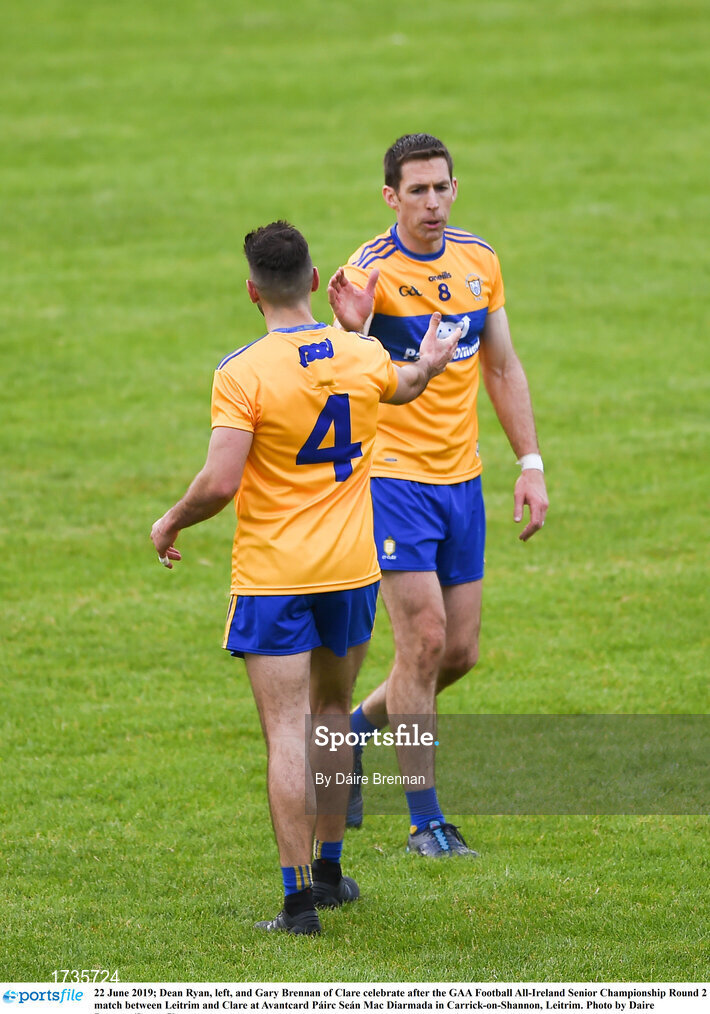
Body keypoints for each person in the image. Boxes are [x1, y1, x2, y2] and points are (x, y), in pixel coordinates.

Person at [150, 221, 460, 934]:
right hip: (352, 571)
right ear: (316, 281)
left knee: (287, 733)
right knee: (329, 718)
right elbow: (405, 383)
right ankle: (330, 872)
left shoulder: (244, 372)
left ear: (252, 290)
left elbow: (221, 482)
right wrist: (434, 359)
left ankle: (296, 905)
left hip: (275, 578)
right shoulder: (361, 353)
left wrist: (170, 521)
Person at [328, 133, 549, 857]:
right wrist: (351, 333)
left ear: (456, 188)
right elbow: (330, 372)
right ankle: (426, 821)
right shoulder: (369, 272)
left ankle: (351, 732)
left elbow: (504, 366)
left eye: (441, 187)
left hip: (462, 480)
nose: (431, 202)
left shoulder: (479, 260)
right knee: (420, 641)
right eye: (416, 190)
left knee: (458, 652)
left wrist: (531, 462)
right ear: (390, 196)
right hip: (392, 479)